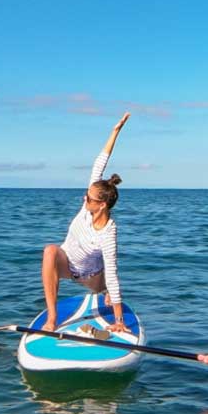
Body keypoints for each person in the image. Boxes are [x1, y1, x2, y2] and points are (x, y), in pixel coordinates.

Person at [41, 113, 131, 333]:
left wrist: (119, 320)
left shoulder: (109, 233)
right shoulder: (87, 206)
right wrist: (115, 131)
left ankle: (107, 295)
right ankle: (52, 319)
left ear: (102, 205)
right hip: (67, 265)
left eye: (89, 199)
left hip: (93, 278)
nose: (85, 199)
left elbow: (112, 271)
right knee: (50, 250)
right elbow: (99, 163)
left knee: (108, 286)